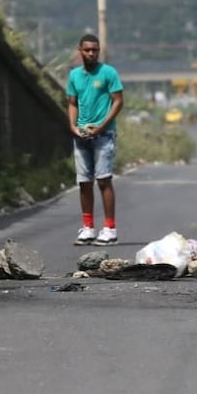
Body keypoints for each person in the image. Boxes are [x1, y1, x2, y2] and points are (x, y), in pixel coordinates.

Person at [67, 34, 124, 246]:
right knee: (84, 182)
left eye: (95, 50)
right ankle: (88, 227)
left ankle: (110, 228)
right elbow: (72, 102)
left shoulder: (108, 72)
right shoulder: (74, 75)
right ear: (80, 51)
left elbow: (118, 101)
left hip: (103, 134)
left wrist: (102, 125)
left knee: (104, 180)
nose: (91, 53)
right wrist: (73, 126)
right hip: (82, 134)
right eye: (87, 50)